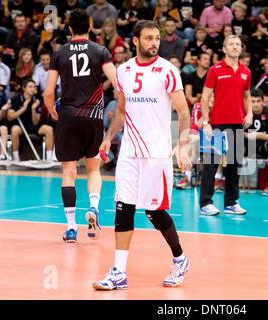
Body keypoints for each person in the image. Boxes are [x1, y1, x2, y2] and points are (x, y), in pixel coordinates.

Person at [93, 20, 191, 290]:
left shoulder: (168, 70)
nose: (154, 43)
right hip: (129, 152)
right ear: (135, 41)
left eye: (157, 38)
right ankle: (119, 272)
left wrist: (182, 145)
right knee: (123, 207)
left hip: (157, 153)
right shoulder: (123, 71)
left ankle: (180, 258)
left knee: (154, 212)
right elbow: (121, 112)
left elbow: (183, 111)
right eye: (148, 38)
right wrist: (108, 137)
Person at [43, 9, 118, 243]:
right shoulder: (101, 51)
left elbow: (48, 92)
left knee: (68, 171)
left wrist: (54, 111)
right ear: (90, 26)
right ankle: (94, 209)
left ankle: (72, 227)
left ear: (69, 28)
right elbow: (117, 81)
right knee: (94, 169)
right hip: (94, 116)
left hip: (68, 115)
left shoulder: (59, 54)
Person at [199, 34, 252, 216]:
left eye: (238, 44)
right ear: (224, 49)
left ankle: (231, 203)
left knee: (234, 164)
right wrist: (206, 122)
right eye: (231, 44)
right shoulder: (215, 70)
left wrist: (250, 112)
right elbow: (205, 97)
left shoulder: (246, 72)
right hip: (216, 124)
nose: (235, 46)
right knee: (211, 164)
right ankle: (205, 203)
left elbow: (246, 95)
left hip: (237, 123)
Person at [8, 78, 54, 162]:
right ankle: (16, 157)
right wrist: (23, 108)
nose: (33, 89)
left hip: (33, 126)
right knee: (14, 129)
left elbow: (35, 121)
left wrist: (33, 109)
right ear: (24, 88)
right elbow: (10, 117)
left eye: (34, 87)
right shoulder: (16, 99)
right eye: (30, 86)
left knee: (49, 129)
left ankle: (49, 157)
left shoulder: (37, 101)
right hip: (20, 125)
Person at [244, 88, 268, 195]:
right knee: (231, 143)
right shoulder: (245, 112)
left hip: (262, 144)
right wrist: (245, 135)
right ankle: (224, 180)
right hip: (247, 144)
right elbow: (236, 131)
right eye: (252, 101)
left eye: (258, 101)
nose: (255, 104)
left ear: (263, 102)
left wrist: (258, 135)